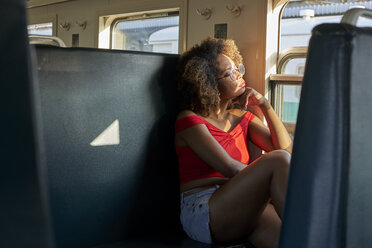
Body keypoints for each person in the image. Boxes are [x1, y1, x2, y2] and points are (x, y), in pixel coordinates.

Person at [175, 37, 292, 248]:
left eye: (238, 68)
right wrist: (265, 186)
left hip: (240, 203)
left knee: (295, 241)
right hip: (205, 210)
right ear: (209, 84)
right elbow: (230, 168)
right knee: (277, 161)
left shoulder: (240, 116)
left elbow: (286, 150)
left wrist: (265, 105)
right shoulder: (189, 120)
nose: (238, 75)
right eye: (230, 73)